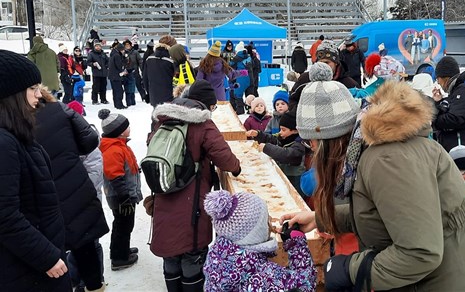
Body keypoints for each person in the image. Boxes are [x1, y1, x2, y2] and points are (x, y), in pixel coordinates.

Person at [282, 74, 465, 290]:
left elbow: (420, 252)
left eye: (311, 142)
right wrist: (321, 218)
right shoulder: (371, 152)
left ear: (329, 140)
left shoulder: (387, 160)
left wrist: (351, 269)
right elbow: (387, 214)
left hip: (449, 281)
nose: (312, 149)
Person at [149, 79, 241, 291]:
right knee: (192, 253)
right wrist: (235, 168)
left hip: (164, 192)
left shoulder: (163, 118)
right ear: (207, 105)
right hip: (191, 200)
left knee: (171, 254)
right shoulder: (202, 123)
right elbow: (225, 157)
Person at [0, 50, 72, 291]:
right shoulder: (3, 143)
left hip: (35, 261)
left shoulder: (15, 134)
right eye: (32, 88)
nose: (39, 95)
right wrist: (47, 257)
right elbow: (4, 216)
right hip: (28, 269)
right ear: (12, 95)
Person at [36, 89, 109, 292]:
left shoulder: (14, 122)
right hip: (75, 189)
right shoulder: (58, 109)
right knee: (85, 246)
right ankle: (94, 287)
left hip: (42, 198)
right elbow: (89, 140)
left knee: (51, 257)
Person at [203, 190, 316, 291]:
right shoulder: (262, 277)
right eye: (267, 220)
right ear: (256, 233)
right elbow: (304, 286)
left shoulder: (218, 257)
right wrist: (297, 245)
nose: (271, 221)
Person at [98, 109, 142, 271]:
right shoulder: (113, 149)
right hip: (121, 197)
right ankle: (119, 258)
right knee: (122, 226)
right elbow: (114, 175)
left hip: (125, 195)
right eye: (126, 126)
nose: (129, 127)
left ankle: (122, 249)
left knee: (125, 225)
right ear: (119, 131)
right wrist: (124, 197)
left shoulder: (120, 145)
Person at [432, 56, 465, 167]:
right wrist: (439, 102)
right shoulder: (457, 90)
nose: (438, 83)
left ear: (445, 77)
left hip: (463, 153)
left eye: (438, 79)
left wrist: (434, 120)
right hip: (460, 150)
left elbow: (455, 119)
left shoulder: (464, 90)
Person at [288, 41, 359, 112]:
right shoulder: (305, 79)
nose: (323, 66)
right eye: (320, 62)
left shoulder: (349, 84)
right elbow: (292, 99)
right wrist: (301, 114)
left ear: (336, 63)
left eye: (327, 63)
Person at [247, 111, 306, 196]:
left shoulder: (299, 145)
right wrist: (258, 134)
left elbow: (286, 155)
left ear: (294, 131)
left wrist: (267, 148)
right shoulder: (284, 137)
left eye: (283, 130)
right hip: (284, 175)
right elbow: (272, 139)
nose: (281, 132)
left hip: (295, 180)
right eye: (280, 129)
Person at [143, 35, 178, 107]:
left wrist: (149, 93)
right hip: (170, 98)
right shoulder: (172, 61)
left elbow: (145, 79)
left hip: (154, 96)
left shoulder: (149, 59)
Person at [109, 43, 127, 109]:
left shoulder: (113, 54)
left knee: (115, 91)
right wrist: (124, 61)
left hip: (112, 76)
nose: (123, 51)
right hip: (116, 76)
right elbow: (119, 66)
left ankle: (116, 104)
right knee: (119, 91)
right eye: (123, 50)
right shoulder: (117, 55)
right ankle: (119, 105)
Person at [123, 40, 141, 106]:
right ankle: (129, 102)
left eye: (128, 45)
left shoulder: (135, 52)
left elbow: (140, 61)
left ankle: (133, 101)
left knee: (133, 87)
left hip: (134, 71)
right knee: (127, 88)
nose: (127, 46)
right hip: (126, 72)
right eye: (126, 45)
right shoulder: (123, 53)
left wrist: (141, 69)